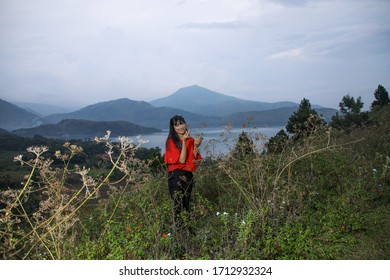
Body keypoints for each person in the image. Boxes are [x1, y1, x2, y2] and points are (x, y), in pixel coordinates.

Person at [164, 114, 202, 231]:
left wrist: (196, 146)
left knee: (186, 203)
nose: (180, 127)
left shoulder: (191, 139)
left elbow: (195, 160)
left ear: (185, 124)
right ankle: (177, 232)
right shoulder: (171, 141)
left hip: (188, 174)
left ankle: (187, 231)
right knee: (177, 204)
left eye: (181, 123)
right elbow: (181, 160)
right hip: (176, 174)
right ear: (173, 128)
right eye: (176, 125)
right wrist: (184, 142)